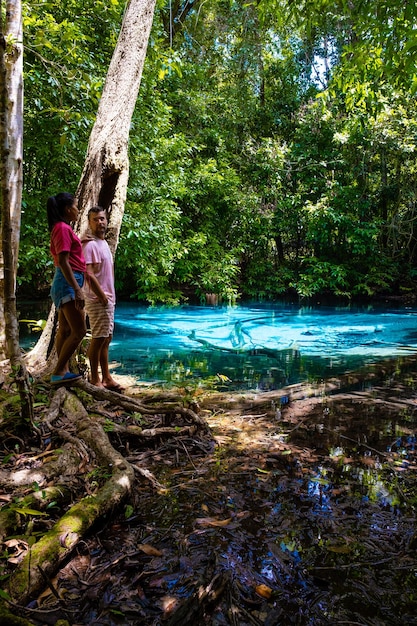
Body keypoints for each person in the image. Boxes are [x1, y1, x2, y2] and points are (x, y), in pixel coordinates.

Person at [47, 192, 87, 385]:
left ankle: (62, 370)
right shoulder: (62, 228)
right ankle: (58, 373)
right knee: (79, 330)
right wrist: (77, 289)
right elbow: (63, 261)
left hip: (65, 282)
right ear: (67, 209)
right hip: (67, 282)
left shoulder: (61, 228)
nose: (78, 210)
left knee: (64, 330)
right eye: (76, 206)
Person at [82, 206, 123, 392]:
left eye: (102, 219)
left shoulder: (103, 243)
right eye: (96, 219)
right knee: (98, 339)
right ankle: (94, 379)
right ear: (89, 222)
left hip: (108, 299)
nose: (100, 222)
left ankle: (106, 377)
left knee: (107, 338)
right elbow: (89, 275)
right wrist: (102, 297)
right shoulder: (90, 245)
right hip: (98, 300)